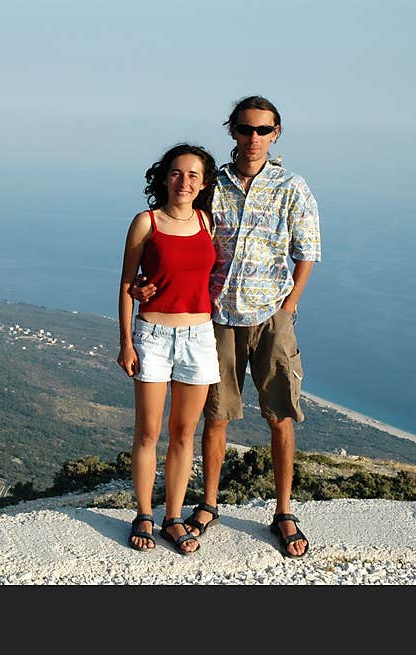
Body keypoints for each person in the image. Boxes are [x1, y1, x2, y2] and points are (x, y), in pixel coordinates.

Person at [131, 96, 321, 558]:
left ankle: (283, 511)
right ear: (232, 131)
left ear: (276, 134)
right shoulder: (211, 185)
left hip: (271, 315)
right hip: (214, 318)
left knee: (279, 415)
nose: (252, 138)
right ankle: (209, 504)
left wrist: (289, 306)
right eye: (244, 129)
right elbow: (178, 230)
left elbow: (308, 250)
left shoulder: (292, 186)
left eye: (262, 130)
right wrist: (149, 280)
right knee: (215, 417)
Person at [117, 143, 220, 555]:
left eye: (193, 175)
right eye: (177, 173)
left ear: (203, 183)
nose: (184, 181)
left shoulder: (206, 222)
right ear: (164, 177)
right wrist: (126, 343)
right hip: (154, 336)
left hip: (199, 337)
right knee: (148, 433)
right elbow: (127, 286)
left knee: (184, 435)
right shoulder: (146, 223)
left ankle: (172, 518)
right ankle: (143, 513)